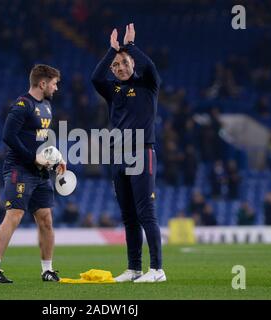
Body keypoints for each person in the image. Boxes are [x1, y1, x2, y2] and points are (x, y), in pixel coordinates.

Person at [91, 23, 166, 283]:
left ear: (132, 63)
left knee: (146, 211)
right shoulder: (113, 91)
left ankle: (157, 270)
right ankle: (134, 268)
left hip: (141, 152)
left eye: (124, 63)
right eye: (116, 65)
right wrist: (111, 52)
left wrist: (130, 46)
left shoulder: (148, 84)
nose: (120, 68)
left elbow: (152, 68)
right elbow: (96, 78)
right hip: (118, 155)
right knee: (128, 216)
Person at [0, 64, 66, 283]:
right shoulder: (22, 105)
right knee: (14, 215)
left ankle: (47, 270)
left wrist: (56, 158)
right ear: (42, 83)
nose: (56, 88)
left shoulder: (47, 106)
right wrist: (32, 158)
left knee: (46, 219)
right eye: (55, 83)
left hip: (40, 173)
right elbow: (8, 136)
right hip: (19, 170)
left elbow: (40, 139)